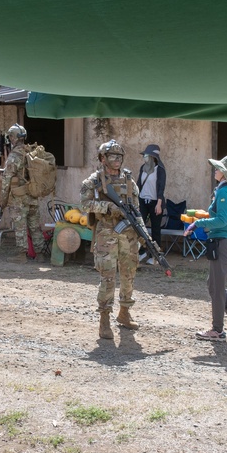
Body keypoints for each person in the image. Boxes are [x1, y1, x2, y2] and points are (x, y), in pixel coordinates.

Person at [80, 139, 152, 339]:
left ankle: (124, 313)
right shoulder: (94, 181)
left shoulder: (129, 180)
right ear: (102, 158)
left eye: (120, 156)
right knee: (108, 277)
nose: (117, 159)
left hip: (128, 234)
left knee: (129, 274)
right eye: (112, 156)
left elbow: (136, 210)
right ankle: (104, 320)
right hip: (106, 233)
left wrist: (144, 235)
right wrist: (108, 207)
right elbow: (84, 204)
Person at [184, 154, 227, 341]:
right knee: (214, 285)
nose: (215, 169)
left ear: (226, 173)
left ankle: (217, 330)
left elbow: (222, 220)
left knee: (217, 289)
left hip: (224, 244)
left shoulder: (224, 191)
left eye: (219, 168)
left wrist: (197, 223)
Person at [0, 124, 50, 262]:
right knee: (35, 226)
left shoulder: (14, 156)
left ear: (12, 138)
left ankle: (21, 255)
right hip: (32, 194)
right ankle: (40, 254)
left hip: (19, 198)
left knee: (20, 226)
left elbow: (6, 181)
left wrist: (2, 201)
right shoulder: (30, 153)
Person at [136, 143, 166, 266]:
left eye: (147, 155)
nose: (145, 157)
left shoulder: (160, 169)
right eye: (144, 155)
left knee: (155, 230)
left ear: (153, 157)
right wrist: (136, 201)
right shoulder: (143, 168)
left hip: (155, 202)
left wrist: (159, 204)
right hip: (143, 201)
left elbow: (161, 188)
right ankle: (141, 252)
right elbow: (138, 185)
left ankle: (155, 256)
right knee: (139, 227)